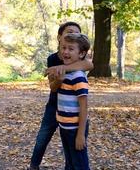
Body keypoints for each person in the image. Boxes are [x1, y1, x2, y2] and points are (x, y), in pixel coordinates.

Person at [28, 22, 93, 170]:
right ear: (60, 37)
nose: (67, 50)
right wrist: (58, 78)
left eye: (77, 33)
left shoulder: (78, 67)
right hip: (56, 108)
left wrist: (62, 68)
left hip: (74, 119)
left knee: (78, 159)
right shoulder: (54, 58)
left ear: (80, 51)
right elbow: (53, 87)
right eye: (70, 32)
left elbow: (89, 66)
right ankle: (33, 165)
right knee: (44, 138)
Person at [56, 33, 91, 169]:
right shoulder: (66, 73)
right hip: (65, 126)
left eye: (71, 49)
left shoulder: (78, 77)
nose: (65, 51)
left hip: (75, 129)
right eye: (63, 47)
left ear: (81, 54)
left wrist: (81, 135)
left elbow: (84, 107)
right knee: (70, 162)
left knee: (80, 164)